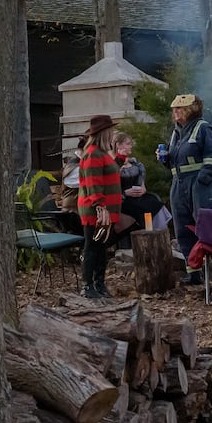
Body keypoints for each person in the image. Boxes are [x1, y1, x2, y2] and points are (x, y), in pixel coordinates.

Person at [159, 93, 212, 284]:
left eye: (180, 108)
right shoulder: (176, 132)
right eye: (174, 109)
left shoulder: (203, 128)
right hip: (179, 183)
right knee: (183, 228)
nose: (176, 112)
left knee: (206, 226)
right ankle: (193, 272)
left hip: (199, 184)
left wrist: (201, 180)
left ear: (191, 110)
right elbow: (177, 159)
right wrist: (164, 158)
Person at [77, 114, 122, 299]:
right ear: (104, 133)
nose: (113, 134)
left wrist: (119, 157)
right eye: (110, 131)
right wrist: (99, 206)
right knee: (92, 247)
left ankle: (100, 284)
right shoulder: (92, 153)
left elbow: (108, 172)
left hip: (105, 210)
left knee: (101, 247)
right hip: (96, 209)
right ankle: (88, 285)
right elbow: (93, 182)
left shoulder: (102, 153)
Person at [113, 131, 168, 234]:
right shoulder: (113, 165)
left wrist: (143, 189)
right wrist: (125, 193)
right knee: (143, 208)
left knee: (155, 203)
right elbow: (111, 187)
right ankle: (147, 234)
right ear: (118, 145)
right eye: (128, 144)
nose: (131, 146)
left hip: (138, 196)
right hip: (123, 200)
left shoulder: (135, 164)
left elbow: (141, 183)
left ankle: (159, 234)